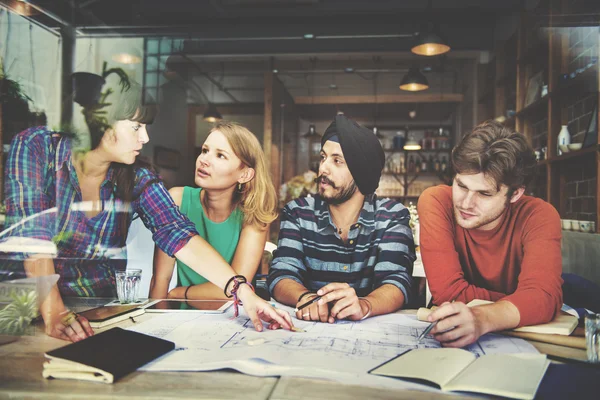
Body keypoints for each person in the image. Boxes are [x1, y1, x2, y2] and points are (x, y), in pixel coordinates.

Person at [3, 82, 292, 342]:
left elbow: (177, 234)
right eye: (136, 127)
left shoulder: (138, 175)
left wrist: (242, 291)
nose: (145, 138)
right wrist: (54, 311)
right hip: (22, 310)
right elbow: (32, 238)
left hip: (99, 313)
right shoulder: (38, 147)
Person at [417, 120, 562, 348]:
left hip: (524, 341)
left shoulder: (539, 215)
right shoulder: (436, 201)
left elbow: (543, 297)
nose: (465, 203)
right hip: (459, 334)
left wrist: (483, 318)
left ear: (515, 194)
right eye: (461, 186)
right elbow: (449, 293)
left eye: (484, 194)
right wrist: (520, 302)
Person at [268, 114, 415, 323]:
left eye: (337, 161)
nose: (323, 168)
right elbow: (282, 273)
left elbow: (397, 281)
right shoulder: (298, 213)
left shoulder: (391, 217)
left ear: (361, 172)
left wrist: (364, 305)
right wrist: (307, 299)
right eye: (323, 157)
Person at [150, 121, 277, 300]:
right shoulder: (176, 200)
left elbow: (233, 293)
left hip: (232, 321)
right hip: (179, 320)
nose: (204, 160)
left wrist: (179, 294)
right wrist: (156, 325)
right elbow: (160, 281)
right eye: (204, 150)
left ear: (245, 175)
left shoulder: (253, 218)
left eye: (220, 155)